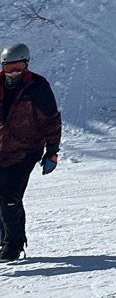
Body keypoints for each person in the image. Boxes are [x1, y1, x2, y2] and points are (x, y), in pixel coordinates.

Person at [0, 43, 61, 261]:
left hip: (26, 150)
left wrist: (52, 151)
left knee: (9, 197)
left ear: (26, 65)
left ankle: (13, 246)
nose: (13, 72)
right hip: (1, 150)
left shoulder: (37, 86)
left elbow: (51, 120)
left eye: (18, 67)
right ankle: (4, 238)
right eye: (9, 68)